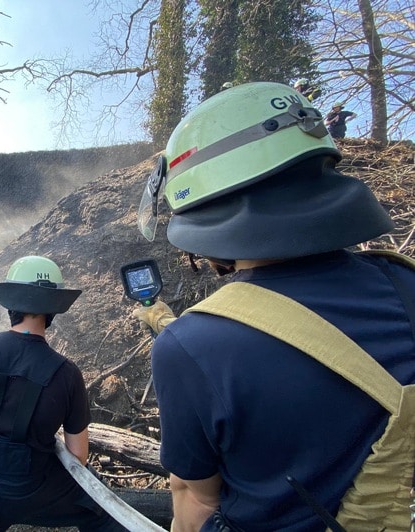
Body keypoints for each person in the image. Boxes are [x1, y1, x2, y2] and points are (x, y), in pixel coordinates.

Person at [132, 82, 415, 530]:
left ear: (204, 201)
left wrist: (174, 333)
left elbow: (193, 499)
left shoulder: (188, 346)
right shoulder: (404, 281)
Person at [0, 255, 126, 531]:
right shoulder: (67, 374)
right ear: (53, 311)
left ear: (9, 305)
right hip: (30, 494)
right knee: (99, 508)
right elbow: (78, 458)